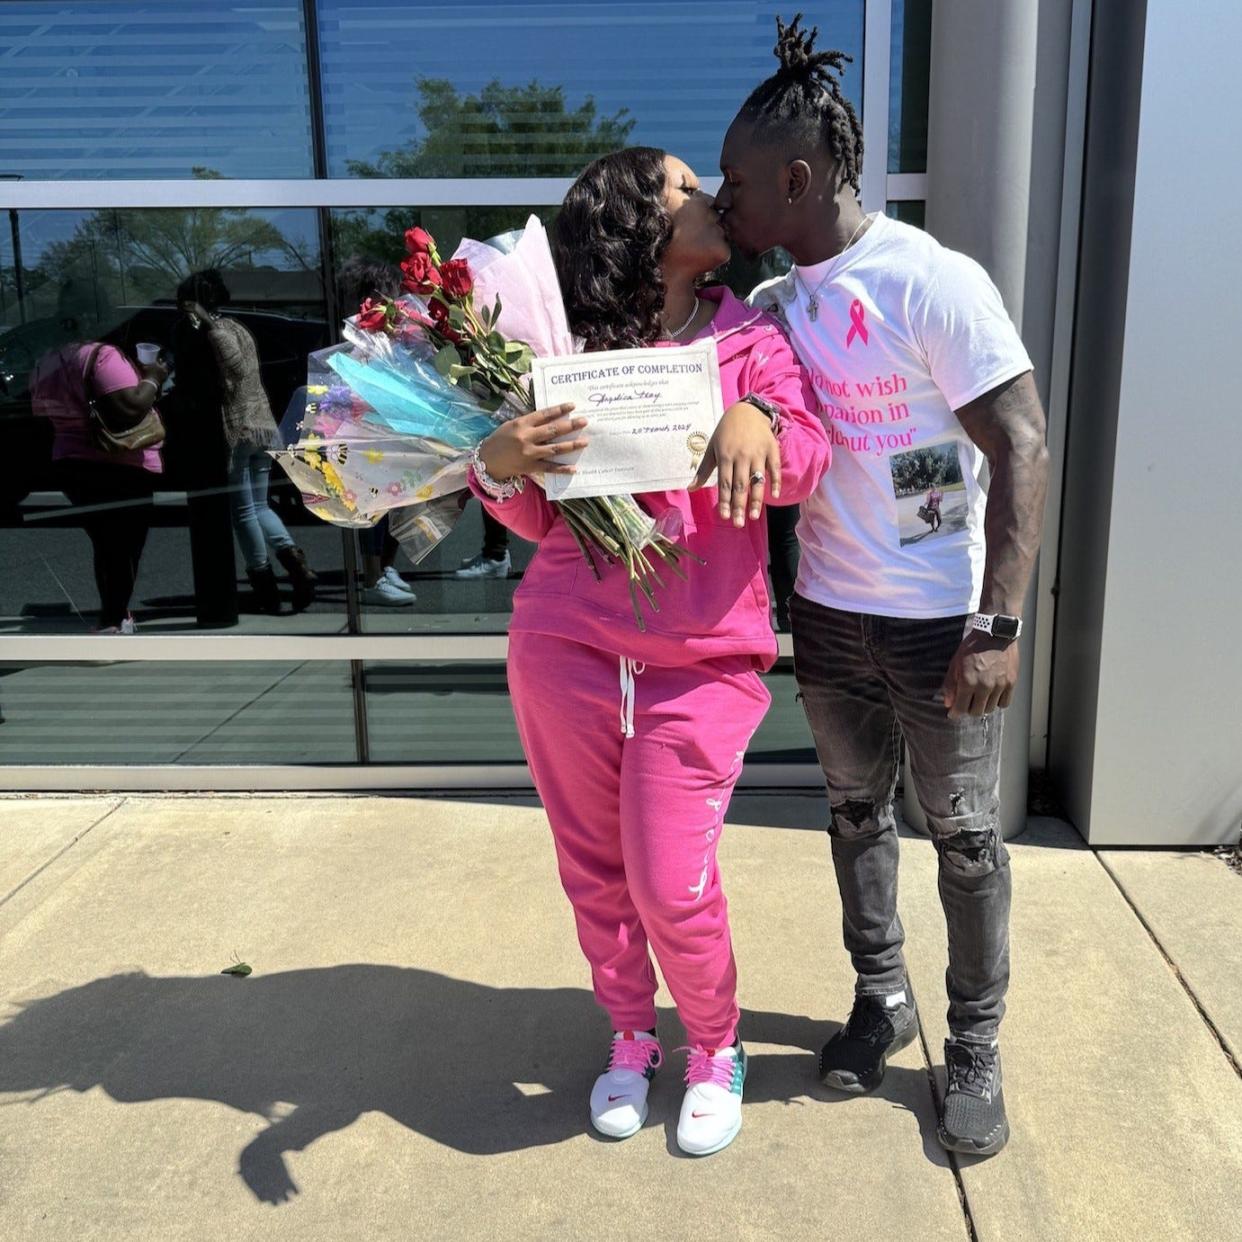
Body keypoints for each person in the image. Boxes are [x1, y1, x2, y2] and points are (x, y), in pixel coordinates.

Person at [717, 16, 1049, 1157]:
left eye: (739, 183)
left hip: (937, 629)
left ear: (799, 178)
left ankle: (975, 1043)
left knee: (961, 837)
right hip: (829, 616)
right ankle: (882, 998)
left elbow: (1023, 446)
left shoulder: (930, 282)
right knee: (855, 815)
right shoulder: (770, 306)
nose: (727, 203)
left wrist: (997, 626)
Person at [470, 147, 829, 1155]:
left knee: (671, 877)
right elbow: (540, 519)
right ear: (635, 223)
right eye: (679, 187)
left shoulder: (751, 340)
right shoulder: (563, 348)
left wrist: (759, 416)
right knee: (594, 870)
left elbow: (804, 457)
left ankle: (714, 1045)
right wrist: (494, 466)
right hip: (564, 645)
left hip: (702, 657)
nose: (707, 195)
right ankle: (632, 1035)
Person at [176, 270, 318, 614]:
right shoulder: (239, 326)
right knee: (260, 506)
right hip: (262, 426)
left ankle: (263, 579)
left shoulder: (219, 331)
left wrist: (205, 322)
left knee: (243, 513)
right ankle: (295, 564)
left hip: (239, 429)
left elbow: (236, 368)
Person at [30, 286, 167, 634]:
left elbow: (41, 409)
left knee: (107, 543)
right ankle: (115, 620)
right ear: (95, 318)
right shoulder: (102, 356)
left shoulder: (48, 359)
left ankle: (114, 617)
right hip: (118, 465)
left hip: (72, 463)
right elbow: (128, 409)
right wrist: (152, 378)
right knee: (124, 545)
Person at [335, 257, 417, 607]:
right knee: (369, 505)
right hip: (363, 427)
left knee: (391, 500)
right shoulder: (357, 331)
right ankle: (372, 578)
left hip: (385, 424)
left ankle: (382, 569)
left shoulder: (380, 328)